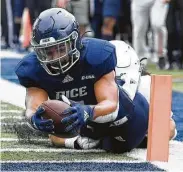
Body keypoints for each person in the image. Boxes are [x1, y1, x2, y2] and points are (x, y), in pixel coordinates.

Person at [15, 8, 176, 153]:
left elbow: (112, 105)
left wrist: (88, 112)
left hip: (121, 82)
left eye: (60, 49)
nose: (54, 58)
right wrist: (33, 119)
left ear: (74, 42)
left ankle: (153, 94)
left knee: (156, 135)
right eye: (47, 53)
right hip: (91, 100)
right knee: (62, 132)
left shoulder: (99, 58)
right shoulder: (33, 68)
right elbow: (34, 110)